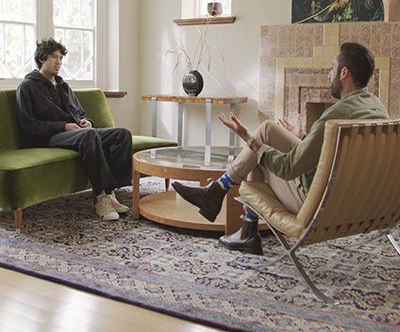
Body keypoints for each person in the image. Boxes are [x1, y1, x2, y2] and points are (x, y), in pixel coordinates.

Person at [172, 42, 389, 254]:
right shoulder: (376, 108)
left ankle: (223, 200)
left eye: (332, 67)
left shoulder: (334, 117)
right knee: (267, 130)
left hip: (316, 203)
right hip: (353, 203)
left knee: (258, 149)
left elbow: (288, 168)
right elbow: (334, 153)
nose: (328, 73)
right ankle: (236, 217)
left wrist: (249, 138)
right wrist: (303, 137)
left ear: (344, 73)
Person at [16, 38, 133, 221]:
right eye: (54, 57)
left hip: (77, 133)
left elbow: (79, 112)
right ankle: (101, 197)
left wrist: (86, 121)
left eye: (61, 58)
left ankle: (110, 193)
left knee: (122, 134)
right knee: (89, 135)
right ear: (42, 59)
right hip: (49, 138)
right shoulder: (27, 87)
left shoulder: (63, 86)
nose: (58, 62)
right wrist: (63, 126)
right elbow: (28, 126)